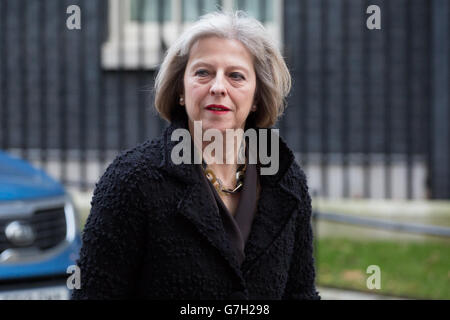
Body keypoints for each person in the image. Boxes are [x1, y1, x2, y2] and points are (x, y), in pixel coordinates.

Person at [71, 10, 320, 300]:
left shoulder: (285, 180)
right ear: (180, 89)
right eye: (203, 72)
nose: (218, 87)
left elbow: (300, 293)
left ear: (256, 97)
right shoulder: (132, 181)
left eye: (235, 76)